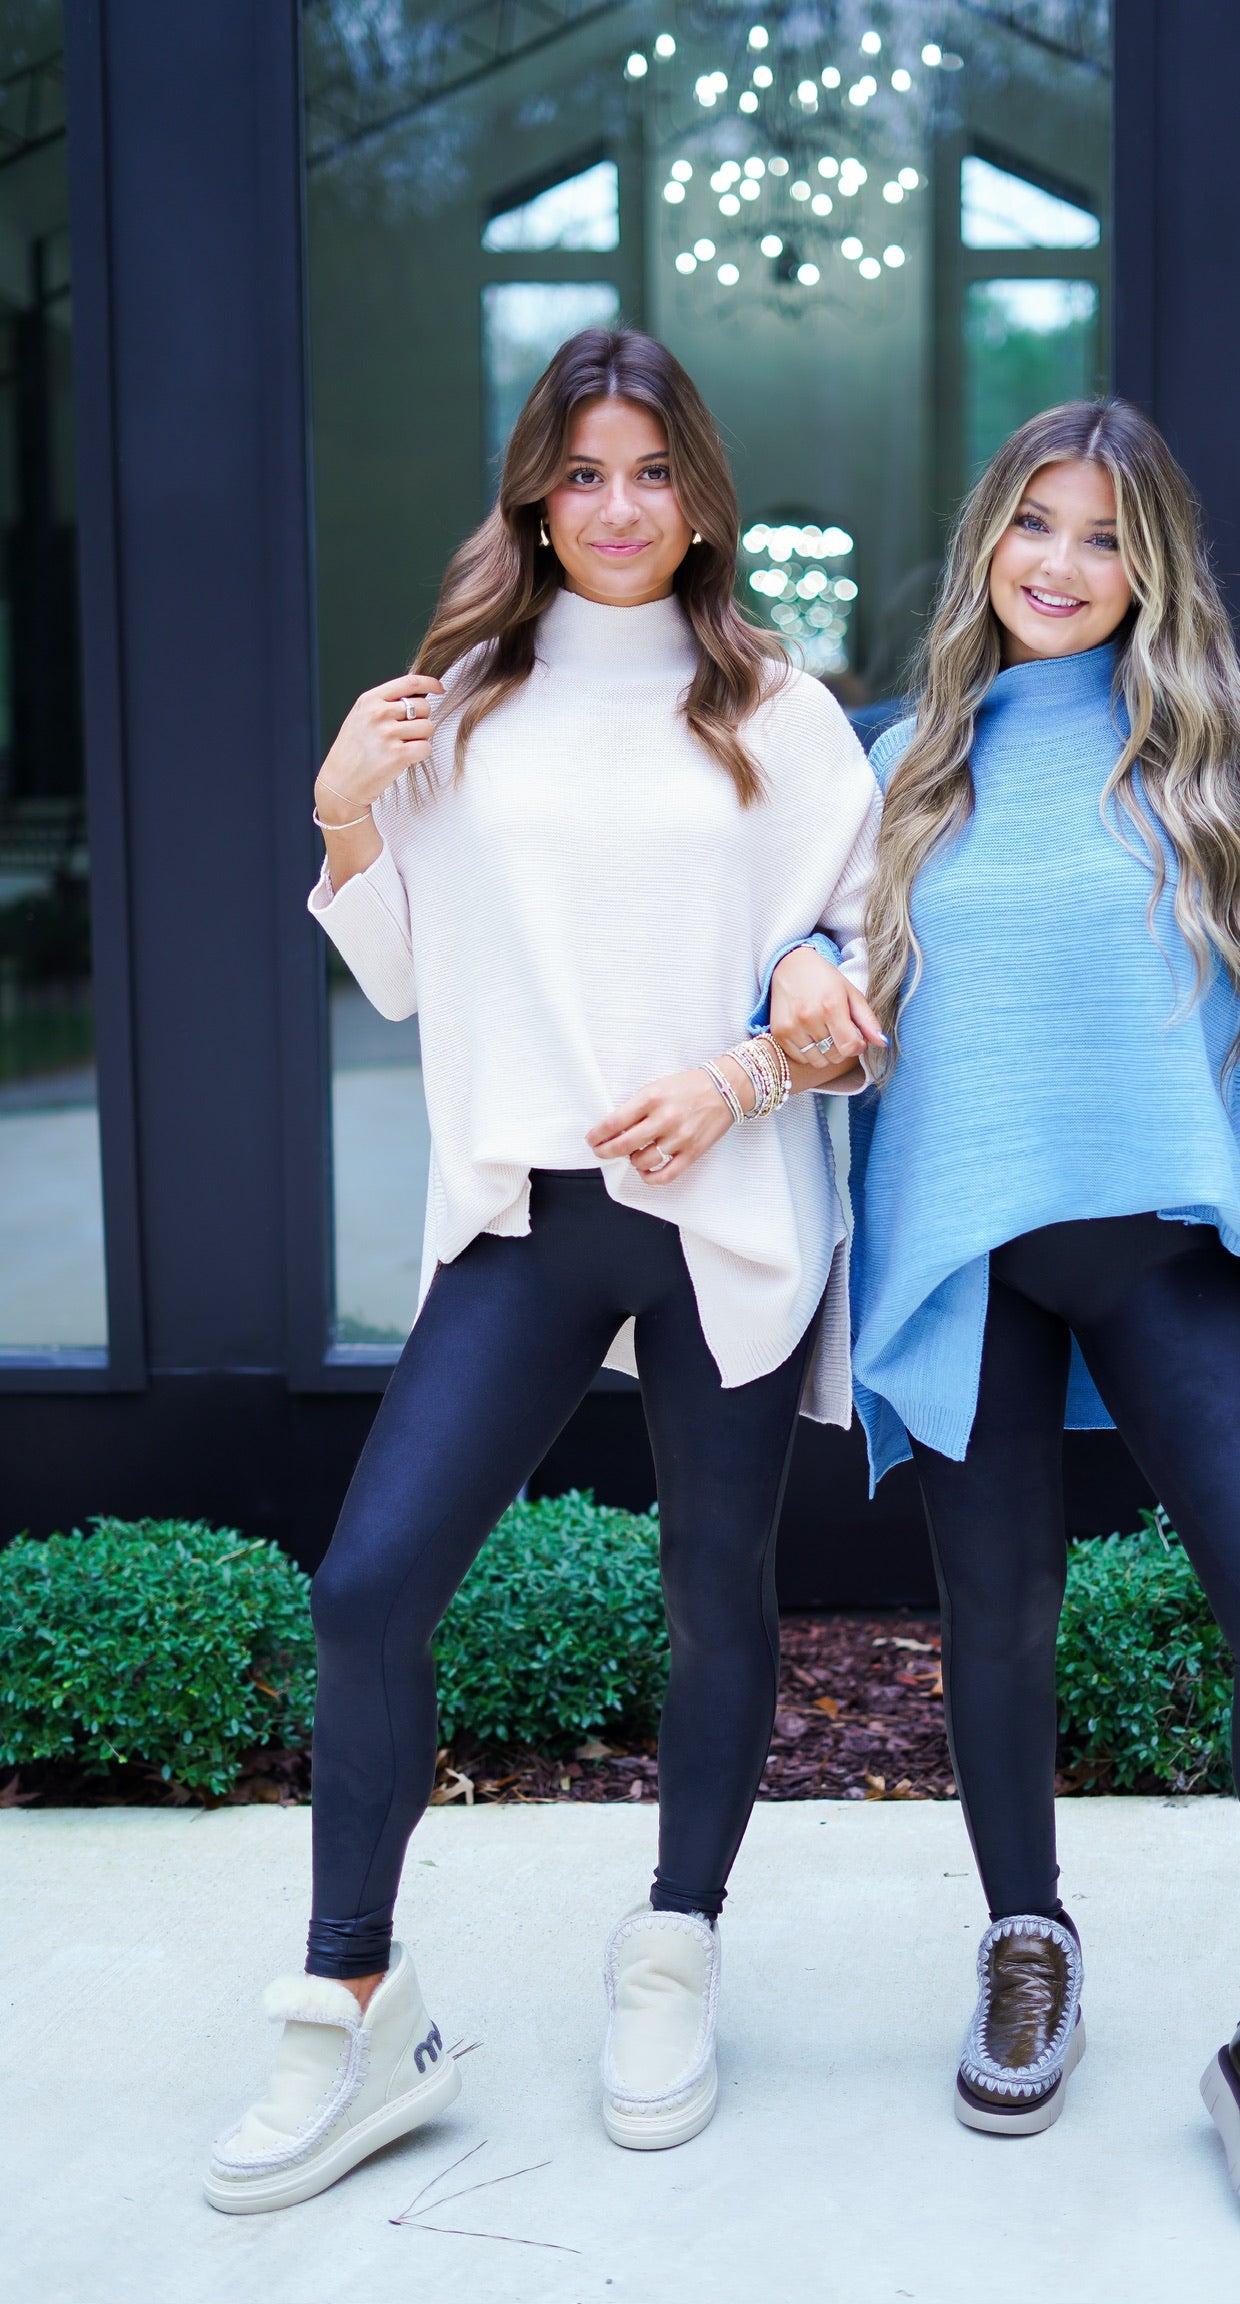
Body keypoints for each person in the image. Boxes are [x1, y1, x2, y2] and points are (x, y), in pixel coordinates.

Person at [203, 329, 883, 2213]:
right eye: (583, 473)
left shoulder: (780, 711)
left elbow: (854, 968)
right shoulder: (465, 700)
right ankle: (354, 2001)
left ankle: (674, 1948)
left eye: (651, 472)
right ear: (534, 494)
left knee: (717, 1593)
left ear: (701, 497)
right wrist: (344, 804)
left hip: (725, 1217)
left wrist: (749, 1059)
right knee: (369, 1589)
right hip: (522, 1215)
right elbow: (403, 972)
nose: (618, 507)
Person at [825, 397, 1240, 2241]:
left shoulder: (1211, 756)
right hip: (971, 1255)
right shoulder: (895, 764)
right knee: (997, 1613)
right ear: (988, 537)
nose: (1060, 564)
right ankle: (1027, 1941)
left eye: (1105, 538)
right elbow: (810, 965)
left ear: (1155, 573)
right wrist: (794, 1002)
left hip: (1160, 1241)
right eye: (1035, 524)